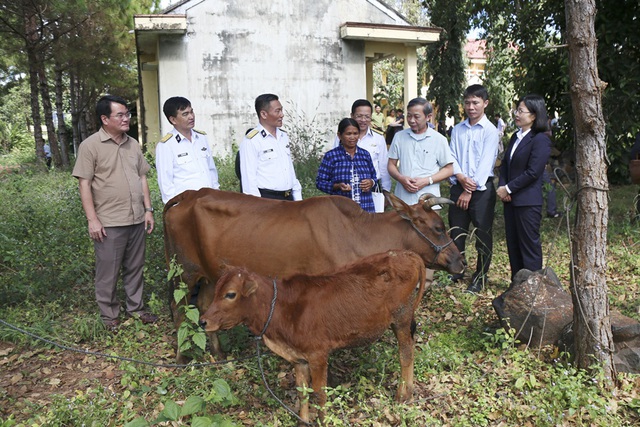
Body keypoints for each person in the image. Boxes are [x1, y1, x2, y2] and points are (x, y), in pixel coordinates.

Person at [72, 95, 157, 331]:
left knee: (135, 267)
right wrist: (93, 220)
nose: (126, 118)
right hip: (109, 221)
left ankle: (136, 309)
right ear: (104, 118)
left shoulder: (133, 144)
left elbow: (142, 177)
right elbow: (84, 184)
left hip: (136, 218)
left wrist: (148, 210)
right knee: (108, 271)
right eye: (120, 115)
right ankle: (109, 316)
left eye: (127, 114)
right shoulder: (90, 146)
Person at [448, 85, 500, 293]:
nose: (471, 107)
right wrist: (460, 177)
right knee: (456, 232)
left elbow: (487, 162)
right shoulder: (458, 129)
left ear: (485, 104)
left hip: (481, 191)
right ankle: (458, 270)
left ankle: (480, 277)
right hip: (458, 186)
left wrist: (469, 190)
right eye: (468, 102)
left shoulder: (490, 131)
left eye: (475, 102)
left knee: (482, 234)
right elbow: (451, 156)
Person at [497, 94, 552, 279]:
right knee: (513, 246)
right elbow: (505, 164)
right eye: (517, 110)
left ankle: (534, 287)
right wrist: (503, 186)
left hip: (528, 202)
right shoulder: (515, 137)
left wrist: (509, 188)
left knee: (529, 247)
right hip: (510, 201)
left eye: (521, 111)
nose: (516, 114)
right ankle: (518, 286)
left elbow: (533, 172)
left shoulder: (540, 139)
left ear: (534, 115)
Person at [387, 98, 453, 206]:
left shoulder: (439, 139)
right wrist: (401, 178)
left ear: (428, 117)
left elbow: (449, 169)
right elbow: (391, 164)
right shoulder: (399, 137)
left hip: (429, 202)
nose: (412, 120)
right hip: (403, 202)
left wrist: (427, 180)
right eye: (409, 116)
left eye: (416, 116)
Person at [155, 96, 220, 204]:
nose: (191, 117)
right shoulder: (166, 145)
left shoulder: (201, 138)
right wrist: (175, 207)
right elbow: (165, 183)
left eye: (191, 112)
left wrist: (217, 195)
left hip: (209, 201)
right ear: (173, 119)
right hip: (187, 206)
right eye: (185, 114)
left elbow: (211, 170)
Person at [239, 93, 302, 201]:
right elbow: (249, 181)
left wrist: (297, 198)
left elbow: (290, 170)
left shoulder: (283, 136)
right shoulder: (252, 140)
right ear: (263, 114)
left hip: (288, 199)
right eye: (277, 111)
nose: (282, 115)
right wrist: (258, 208)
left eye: (281, 110)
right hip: (268, 201)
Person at [317, 118, 377, 212]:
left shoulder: (365, 155)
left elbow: (374, 177)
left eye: (355, 133)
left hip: (366, 209)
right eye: (348, 134)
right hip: (341, 211)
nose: (352, 137)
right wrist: (337, 186)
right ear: (339, 135)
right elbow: (320, 182)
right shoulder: (331, 156)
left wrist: (371, 182)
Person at [331, 99, 391, 192]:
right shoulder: (341, 138)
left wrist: (386, 191)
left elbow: (383, 167)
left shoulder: (378, 139)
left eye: (367, 116)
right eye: (359, 116)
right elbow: (333, 163)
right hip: (345, 190)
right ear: (352, 116)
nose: (363, 120)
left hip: (371, 190)